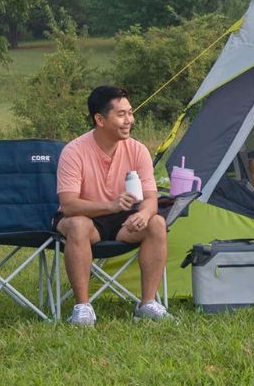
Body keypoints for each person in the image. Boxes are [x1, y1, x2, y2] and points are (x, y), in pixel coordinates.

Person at [54, 85, 173, 326]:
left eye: (130, 113)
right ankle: (83, 308)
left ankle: (147, 304)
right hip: (86, 217)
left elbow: (151, 197)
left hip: (123, 220)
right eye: (121, 114)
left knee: (157, 223)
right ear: (99, 119)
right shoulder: (74, 151)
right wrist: (110, 205)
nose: (129, 119)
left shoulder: (138, 150)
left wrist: (146, 213)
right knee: (77, 225)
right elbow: (68, 205)